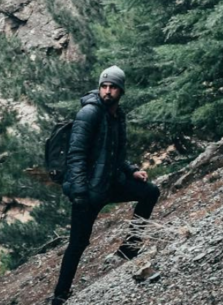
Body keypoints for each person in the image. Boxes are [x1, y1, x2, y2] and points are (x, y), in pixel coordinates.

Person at [51, 65, 160, 304]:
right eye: (104, 86)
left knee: (150, 192)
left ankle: (129, 248)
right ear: (100, 87)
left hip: (111, 183)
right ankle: (59, 296)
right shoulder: (89, 113)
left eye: (113, 87)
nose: (108, 91)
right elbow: (76, 155)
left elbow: (116, 153)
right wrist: (80, 193)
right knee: (78, 243)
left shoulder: (118, 116)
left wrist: (132, 171)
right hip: (88, 190)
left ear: (121, 91)